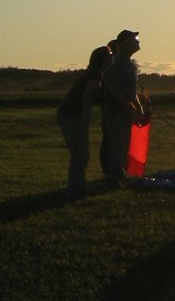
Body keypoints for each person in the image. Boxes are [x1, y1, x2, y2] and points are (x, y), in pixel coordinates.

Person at [56, 42, 112, 200]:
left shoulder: (95, 74)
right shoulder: (95, 75)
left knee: (81, 154)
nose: (111, 58)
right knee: (80, 154)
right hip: (71, 115)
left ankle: (77, 187)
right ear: (101, 59)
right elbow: (86, 100)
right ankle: (76, 190)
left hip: (70, 114)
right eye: (109, 55)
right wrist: (84, 125)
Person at [102, 29, 147, 187]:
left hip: (127, 112)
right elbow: (114, 90)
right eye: (135, 39)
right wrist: (129, 107)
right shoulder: (117, 64)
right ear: (126, 44)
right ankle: (114, 178)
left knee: (125, 146)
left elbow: (131, 90)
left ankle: (120, 175)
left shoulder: (130, 64)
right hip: (116, 112)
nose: (138, 42)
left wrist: (139, 107)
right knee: (117, 147)